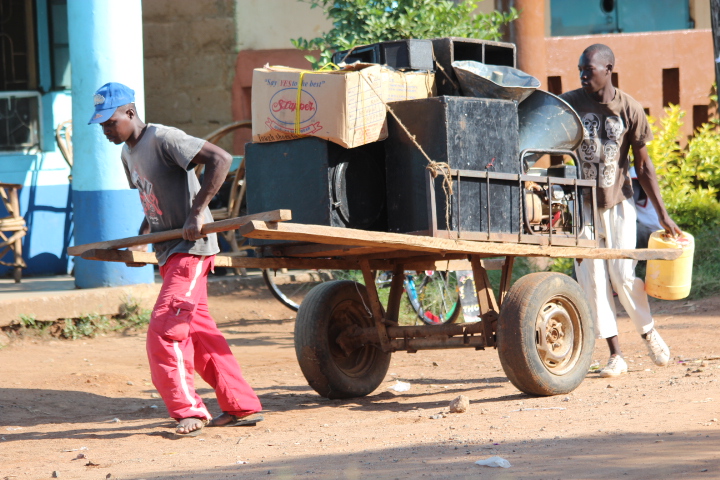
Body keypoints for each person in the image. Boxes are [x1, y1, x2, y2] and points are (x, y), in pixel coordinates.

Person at [89, 82, 262, 436]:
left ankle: (190, 412)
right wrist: (141, 241)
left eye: (110, 122)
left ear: (131, 113)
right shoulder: (128, 154)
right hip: (169, 251)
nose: (107, 130)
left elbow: (220, 159)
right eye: (102, 125)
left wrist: (198, 213)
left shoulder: (164, 138)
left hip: (191, 251)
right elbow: (150, 201)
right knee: (199, 334)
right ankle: (240, 404)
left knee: (165, 330)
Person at [560, 45, 683, 378]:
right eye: (581, 70)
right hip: (582, 208)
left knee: (623, 275)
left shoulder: (629, 108)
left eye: (589, 70)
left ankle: (648, 331)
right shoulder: (569, 104)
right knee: (592, 280)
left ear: (608, 69)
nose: (584, 76)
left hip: (618, 202)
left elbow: (644, 168)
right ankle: (616, 354)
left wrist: (662, 214)